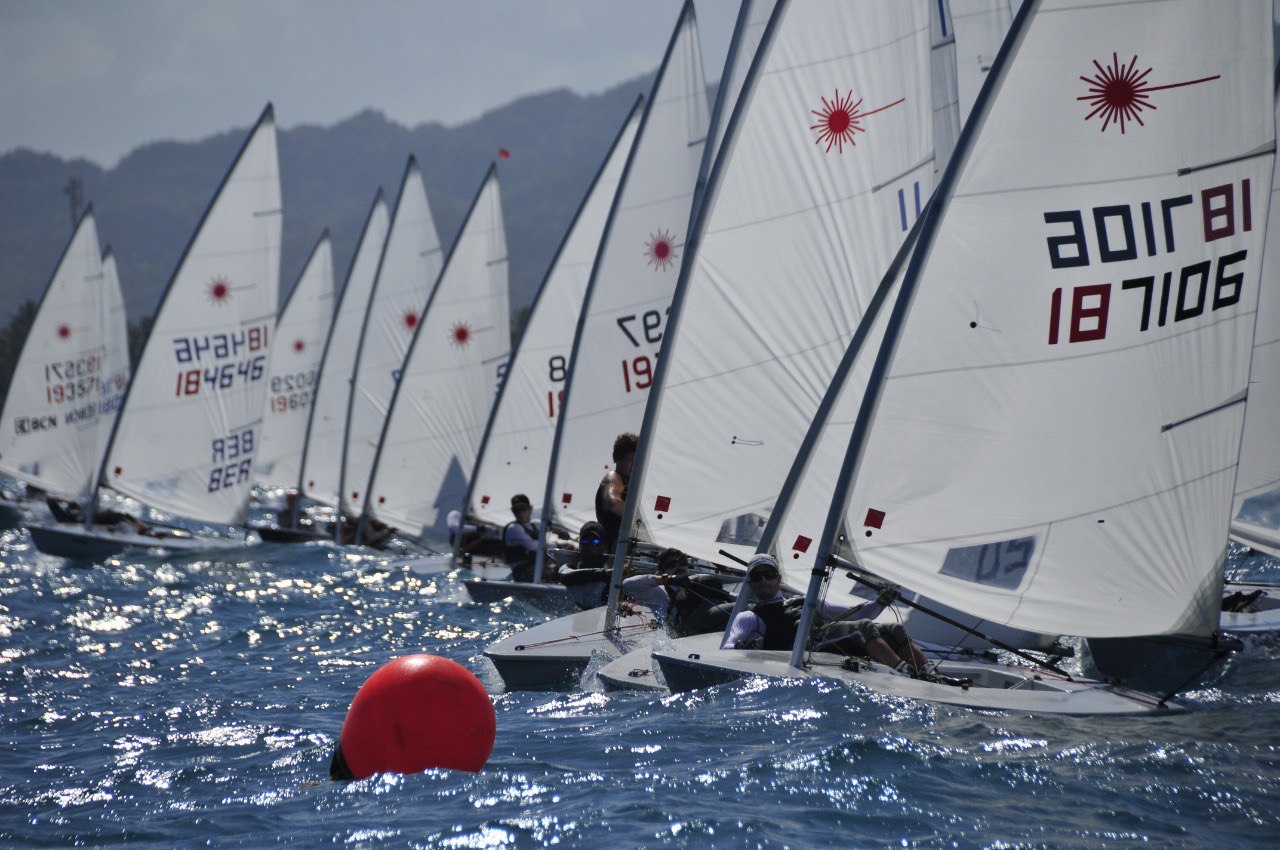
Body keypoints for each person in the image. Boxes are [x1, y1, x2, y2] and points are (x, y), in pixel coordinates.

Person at [723, 554, 954, 683]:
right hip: (805, 647)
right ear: (750, 583)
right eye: (757, 576)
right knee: (862, 629)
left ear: (778, 578)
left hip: (827, 642)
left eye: (769, 574)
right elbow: (728, 645)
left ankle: (930, 674)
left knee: (893, 628)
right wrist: (740, 646)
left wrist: (881, 602)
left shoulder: (806, 601)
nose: (764, 580)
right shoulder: (749, 616)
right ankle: (907, 676)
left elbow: (859, 613)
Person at [621, 548, 736, 636]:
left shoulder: (698, 581)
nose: (679, 566)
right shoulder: (658, 593)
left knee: (746, 610)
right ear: (662, 571)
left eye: (683, 562)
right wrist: (666, 579)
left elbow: (730, 596)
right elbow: (627, 585)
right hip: (688, 631)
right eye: (672, 564)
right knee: (741, 611)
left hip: (714, 623)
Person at [595, 432, 637, 554]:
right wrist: (644, 521)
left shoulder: (635, 484)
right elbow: (613, 503)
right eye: (630, 460)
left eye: (637, 460)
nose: (634, 465)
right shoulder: (613, 477)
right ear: (617, 459)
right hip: (615, 549)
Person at [556, 520, 612, 609]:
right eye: (584, 542)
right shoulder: (569, 567)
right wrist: (605, 573)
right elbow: (565, 577)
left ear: (604, 546)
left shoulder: (613, 577)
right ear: (579, 545)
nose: (589, 546)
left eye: (595, 542)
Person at [503, 493, 541, 582]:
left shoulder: (537, 525)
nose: (520, 513)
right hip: (521, 572)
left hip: (535, 568)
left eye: (523, 509)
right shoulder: (513, 528)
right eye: (517, 510)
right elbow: (532, 546)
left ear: (530, 509)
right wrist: (556, 545)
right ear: (512, 511)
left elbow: (551, 528)